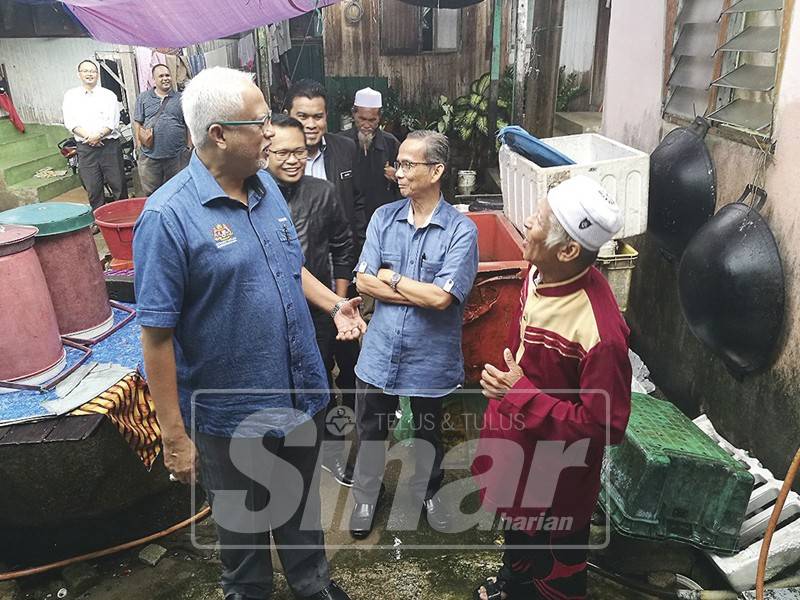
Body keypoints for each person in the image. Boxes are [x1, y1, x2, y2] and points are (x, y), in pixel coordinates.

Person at [133, 67, 363, 600]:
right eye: (259, 122)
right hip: (230, 414)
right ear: (218, 134)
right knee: (243, 533)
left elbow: (288, 266)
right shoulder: (167, 217)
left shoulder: (266, 189)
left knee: (300, 509)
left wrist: (335, 305)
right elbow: (157, 337)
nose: (271, 132)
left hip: (298, 394)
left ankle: (313, 586)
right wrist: (174, 436)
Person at [471, 176, 632, 600]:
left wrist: (520, 395)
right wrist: (504, 390)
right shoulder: (537, 272)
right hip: (516, 446)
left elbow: (606, 426)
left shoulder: (601, 333)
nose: (527, 222)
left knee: (555, 565)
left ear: (568, 250)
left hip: (556, 475)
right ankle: (513, 583)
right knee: (517, 534)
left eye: (539, 220)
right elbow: (522, 352)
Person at [350, 130, 479, 538]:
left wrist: (391, 278)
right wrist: (415, 290)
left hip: (430, 354)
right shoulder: (383, 218)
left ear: (436, 171)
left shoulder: (461, 230)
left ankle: (430, 492)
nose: (398, 172)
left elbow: (442, 298)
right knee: (370, 428)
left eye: (407, 164)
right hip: (380, 349)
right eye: (399, 164)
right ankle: (366, 497)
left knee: (427, 429)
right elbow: (363, 282)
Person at [267, 113, 356, 487]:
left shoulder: (323, 192)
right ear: (265, 152)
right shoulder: (256, 197)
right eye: (282, 153)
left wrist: (338, 303)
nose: (293, 160)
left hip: (320, 311)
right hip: (273, 315)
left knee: (327, 385)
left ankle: (332, 453)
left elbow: (343, 246)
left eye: (300, 152)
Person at [286, 79, 365, 465]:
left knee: (349, 359)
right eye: (302, 115)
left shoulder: (345, 149)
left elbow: (358, 206)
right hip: (302, 283)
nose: (311, 123)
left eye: (317, 116)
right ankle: (320, 434)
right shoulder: (274, 170)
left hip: (341, 275)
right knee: (314, 363)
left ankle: (345, 425)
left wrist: (342, 295)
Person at [62, 59, 127, 210]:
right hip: (86, 148)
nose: (89, 74)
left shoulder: (108, 95)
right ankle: (98, 218)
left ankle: (122, 216)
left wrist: (98, 136)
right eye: (85, 71)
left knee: (118, 185)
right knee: (93, 188)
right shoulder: (71, 96)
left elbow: (112, 122)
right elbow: (70, 122)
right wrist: (89, 138)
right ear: (79, 74)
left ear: (97, 74)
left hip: (109, 146)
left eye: (92, 71)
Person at [341, 87, 401, 223]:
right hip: (350, 219)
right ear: (354, 114)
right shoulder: (341, 143)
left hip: (384, 218)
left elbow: (409, 178)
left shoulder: (391, 143)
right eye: (362, 119)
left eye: (372, 120)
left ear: (379, 118)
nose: (366, 125)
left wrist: (397, 176)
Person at [133, 63, 190, 195]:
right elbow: (137, 123)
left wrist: (188, 147)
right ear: (154, 79)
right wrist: (139, 146)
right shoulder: (143, 98)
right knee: (152, 193)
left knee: (178, 192)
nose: (165, 78)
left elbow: (188, 124)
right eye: (161, 76)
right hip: (150, 155)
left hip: (177, 155)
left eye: (167, 75)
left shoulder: (181, 98)